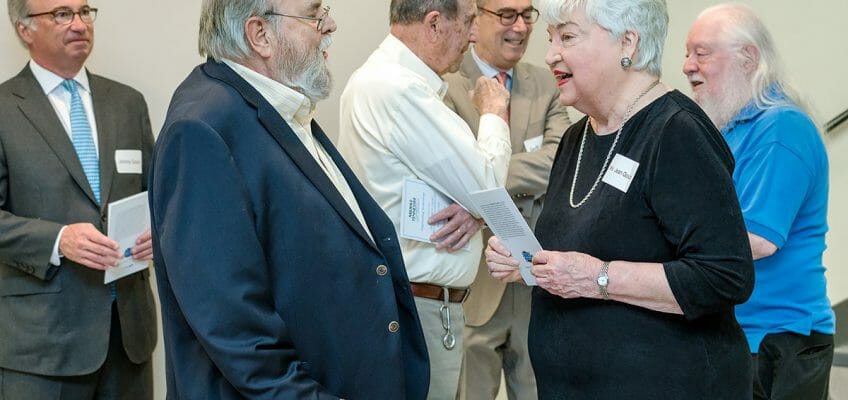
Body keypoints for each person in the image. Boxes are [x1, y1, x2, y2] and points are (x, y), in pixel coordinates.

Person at [148, 0, 429, 398]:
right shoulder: (202, 130)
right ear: (259, 35)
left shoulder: (278, 105)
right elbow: (236, 329)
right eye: (314, 15)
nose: (330, 25)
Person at [485, 0, 756, 398]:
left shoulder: (676, 131)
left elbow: (724, 276)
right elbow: (592, 244)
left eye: (567, 37)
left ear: (627, 43)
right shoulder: (577, 138)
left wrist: (598, 278)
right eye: (551, 38)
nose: (550, 55)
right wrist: (527, 260)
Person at [337, 0, 511, 397]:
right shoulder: (398, 89)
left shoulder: (385, 81)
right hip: (419, 308)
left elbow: (477, 198)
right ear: (434, 24)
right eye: (468, 22)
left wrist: (477, 212)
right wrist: (495, 112)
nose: (473, 35)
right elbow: (488, 188)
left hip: (416, 304)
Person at [0, 0, 157, 398]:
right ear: (24, 29)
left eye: (85, 12)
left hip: (129, 338)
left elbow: (159, 196)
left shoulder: (128, 103)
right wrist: (58, 240)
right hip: (42, 347)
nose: (79, 24)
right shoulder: (3, 109)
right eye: (61, 14)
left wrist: (160, 231)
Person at [684, 4, 834, 399]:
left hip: (778, 340)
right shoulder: (730, 128)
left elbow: (757, 240)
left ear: (747, 58)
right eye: (687, 53)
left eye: (701, 53)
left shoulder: (781, 127)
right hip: (740, 335)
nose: (687, 65)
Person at [442, 0, 570, 398]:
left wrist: (486, 175)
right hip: (477, 281)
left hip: (537, 279)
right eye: (507, 15)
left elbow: (560, 161)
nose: (520, 27)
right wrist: (486, 176)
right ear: (475, 20)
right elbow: (453, 173)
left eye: (527, 15)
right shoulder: (446, 83)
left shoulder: (547, 82)